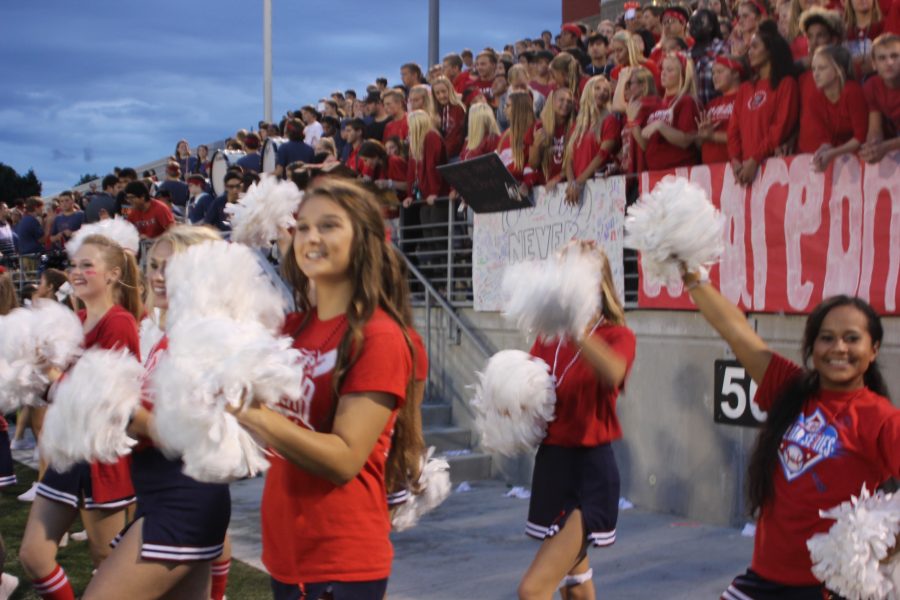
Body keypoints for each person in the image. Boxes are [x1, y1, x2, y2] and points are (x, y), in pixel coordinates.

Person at [232, 178, 418, 600]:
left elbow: (345, 458)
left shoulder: (378, 336)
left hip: (341, 559)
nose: (311, 236)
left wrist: (249, 411)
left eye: (329, 225)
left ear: (364, 241)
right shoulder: (295, 329)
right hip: (286, 552)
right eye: (303, 226)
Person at [678, 275, 900, 598]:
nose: (839, 348)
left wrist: (884, 546)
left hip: (826, 587)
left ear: (873, 349)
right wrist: (692, 276)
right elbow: (736, 331)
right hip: (763, 575)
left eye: (852, 338)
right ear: (813, 347)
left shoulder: (881, 418)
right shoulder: (790, 388)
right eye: (827, 338)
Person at [83, 226, 232, 600]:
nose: (158, 275)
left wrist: (113, 403)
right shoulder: (168, 336)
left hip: (185, 498)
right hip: (162, 493)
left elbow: (181, 433)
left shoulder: (204, 340)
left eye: (172, 267)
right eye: (155, 265)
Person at [19, 233, 142, 600]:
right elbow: (57, 391)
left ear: (112, 274)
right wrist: (37, 373)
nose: (76, 271)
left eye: (88, 265)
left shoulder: (118, 323)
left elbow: (111, 401)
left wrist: (57, 380)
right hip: (67, 451)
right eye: (74, 264)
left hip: (100, 455)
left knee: (106, 560)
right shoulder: (78, 320)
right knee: (34, 557)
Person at [517, 242, 636, 600]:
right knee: (577, 586)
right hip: (553, 467)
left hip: (589, 474)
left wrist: (578, 329)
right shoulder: (547, 337)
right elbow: (530, 390)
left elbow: (614, 372)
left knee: (532, 590)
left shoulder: (617, 335)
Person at [727, 21, 799, 185]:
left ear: (770, 51)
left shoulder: (786, 84)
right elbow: (733, 129)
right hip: (743, 170)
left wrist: (755, 159)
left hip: (774, 170)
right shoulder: (745, 88)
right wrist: (736, 160)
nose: (749, 52)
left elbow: (780, 128)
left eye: (754, 47)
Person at [797, 45, 868, 171]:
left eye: (822, 68)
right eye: (813, 69)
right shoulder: (815, 99)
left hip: (864, 156)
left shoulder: (852, 92)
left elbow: (860, 138)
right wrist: (822, 152)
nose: (816, 74)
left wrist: (832, 153)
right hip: (844, 158)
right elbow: (826, 140)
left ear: (838, 70)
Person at [633, 52, 701, 171]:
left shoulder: (687, 101)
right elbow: (645, 145)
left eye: (670, 70)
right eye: (662, 69)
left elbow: (686, 141)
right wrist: (632, 122)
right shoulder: (657, 104)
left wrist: (660, 126)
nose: (663, 73)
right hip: (655, 172)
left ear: (683, 74)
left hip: (680, 173)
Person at [564, 76, 621, 205]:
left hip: (599, 188)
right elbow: (569, 159)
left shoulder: (610, 121)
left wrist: (578, 182)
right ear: (588, 91)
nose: (602, 92)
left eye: (606, 90)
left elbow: (603, 155)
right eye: (597, 88)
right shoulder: (577, 125)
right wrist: (571, 182)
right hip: (577, 189)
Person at [403, 110, 448, 265]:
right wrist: (409, 194)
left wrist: (434, 191)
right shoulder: (416, 143)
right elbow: (411, 172)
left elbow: (433, 166)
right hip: (423, 198)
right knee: (429, 236)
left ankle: (446, 275)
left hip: (437, 196)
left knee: (438, 235)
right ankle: (438, 275)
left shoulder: (431, 137)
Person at [697, 56, 745, 164]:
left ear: (736, 73)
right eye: (713, 73)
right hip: (710, 170)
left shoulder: (745, 98)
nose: (715, 77)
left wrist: (713, 136)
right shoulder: (710, 104)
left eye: (720, 71)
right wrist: (701, 136)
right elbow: (700, 142)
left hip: (737, 167)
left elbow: (747, 135)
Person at [860, 33, 900, 162]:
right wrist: (872, 146)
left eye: (894, 56)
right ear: (874, 64)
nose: (889, 62)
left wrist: (885, 147)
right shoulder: (871, 86)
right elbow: (875, 128)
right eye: (882, 58)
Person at [529, 88, 576, 187]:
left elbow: (576, 161)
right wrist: (536, 146)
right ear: (552, 102)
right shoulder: (539, 127)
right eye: (561, 100)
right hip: (545, 187)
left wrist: (559, 177)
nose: (566, 104)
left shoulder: (575, 128)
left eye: (569, 101)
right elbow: (533, 165)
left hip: (568, 185)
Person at [690, 9, 727, 106]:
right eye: (691, 22)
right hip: (693, 111)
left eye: (698, 22)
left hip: (718, 107)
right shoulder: (685, 53)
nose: (693, 26)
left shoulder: (723, 48)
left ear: (710, 26)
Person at [431, 77, 466, 159]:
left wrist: (444, 155)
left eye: (444, 91)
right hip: (442, 156)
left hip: (456, 155)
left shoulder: (458, 109)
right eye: (437, 93)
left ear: (450, 90)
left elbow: (456, 135)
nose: (441, 96)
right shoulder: (435, 112)